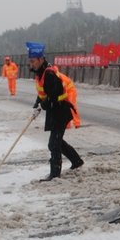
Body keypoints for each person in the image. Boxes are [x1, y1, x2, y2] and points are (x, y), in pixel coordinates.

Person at [27, 41, 84, 180]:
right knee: (57, 141)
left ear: (41, 59)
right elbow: (43, 93)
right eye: (30, 61)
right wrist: (36, 105)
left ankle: (55, 173)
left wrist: (42, 106)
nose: (31, 64)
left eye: (33, 61)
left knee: (53, 144)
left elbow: (53, 96)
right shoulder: (40, 73)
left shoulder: (49, 74)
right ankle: (76, 161)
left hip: (61, 110)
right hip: (55, 110)